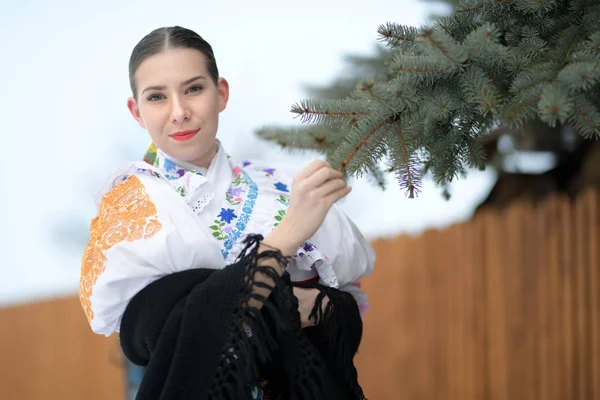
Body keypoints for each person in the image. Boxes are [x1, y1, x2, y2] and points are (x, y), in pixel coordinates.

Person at [79, 26, 375, 399]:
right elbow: (154, 333)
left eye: (194, 89)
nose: (179, 112)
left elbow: (345, 316)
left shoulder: (283, 186)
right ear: (136, 112)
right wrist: (288, 238)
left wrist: (315, 305)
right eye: (157, 97)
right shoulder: (134, 209)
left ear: (221, 94)